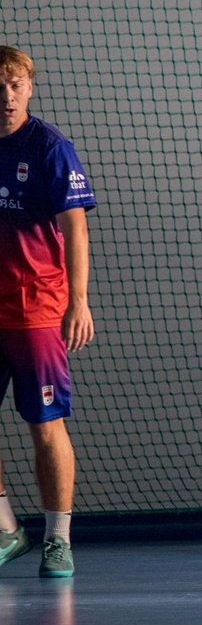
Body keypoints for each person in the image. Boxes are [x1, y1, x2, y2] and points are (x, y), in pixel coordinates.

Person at [0, 46, 96, 578]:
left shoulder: (50, 146)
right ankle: (8, 530)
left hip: (36, 309)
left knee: (45, 425)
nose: (6, 97)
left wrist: (77, 300)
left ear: (29, 88)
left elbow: (75, 227)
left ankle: (57, 539)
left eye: (15, 85)